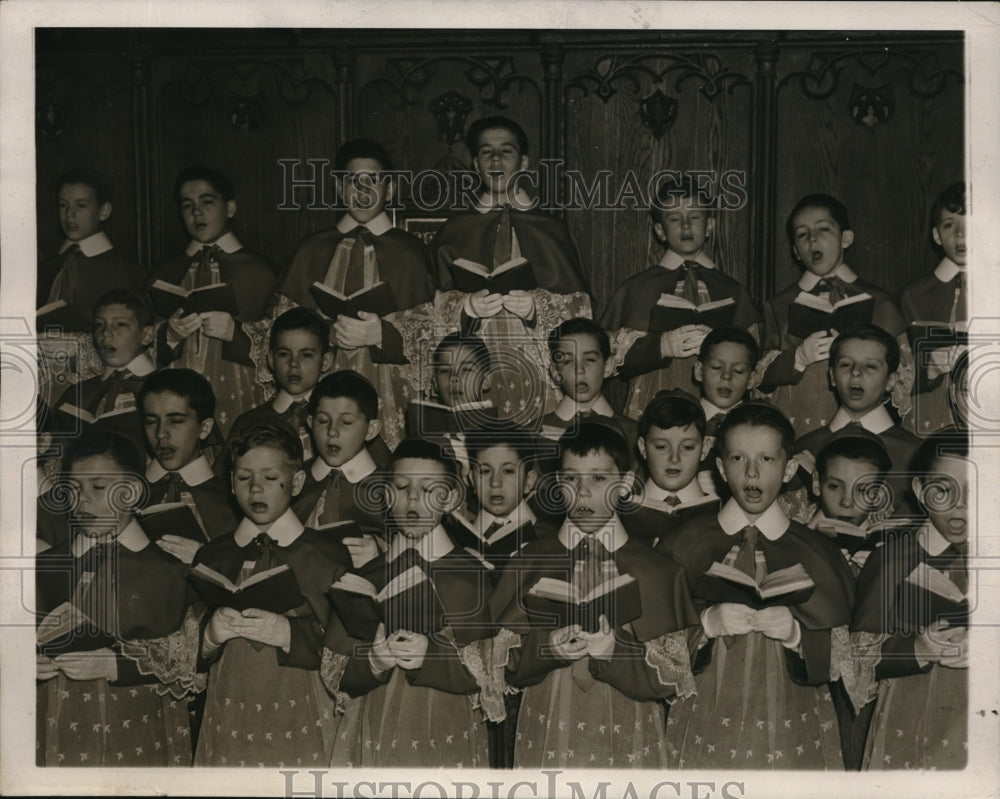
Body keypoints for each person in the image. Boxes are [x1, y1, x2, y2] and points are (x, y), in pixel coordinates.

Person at [491, 421, 699, 769]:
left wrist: (614, 651)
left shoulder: (658, 569)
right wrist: (549, 648)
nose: (583, 492)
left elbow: (668, 680)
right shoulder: (528, 560)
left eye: (599, 479)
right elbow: (505, 666)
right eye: (571, 479)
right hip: (547, 722)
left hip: (628, 724)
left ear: (624, 486)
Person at [657, 402, 855, 769]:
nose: (751, 472)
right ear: (719, 467)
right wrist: (705, 624)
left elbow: (846, 650)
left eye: (766, 459)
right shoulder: (685, 542)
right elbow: (653, 642)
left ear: (789, 467)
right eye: (737, 459)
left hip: (790, 712)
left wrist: (798, 633)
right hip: (707, 709)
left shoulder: (816, 550)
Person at [321, 438, 502, 768]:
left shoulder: (471, 575)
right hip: (372, 728)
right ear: (388, 496)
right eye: (402, 487)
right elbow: (338, 672)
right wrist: (374, 660)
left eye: (429, 490)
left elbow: (490, 673)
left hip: (446, 732)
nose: (414, 499)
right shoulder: (365, 576)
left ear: (449, 499)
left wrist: (429, 656)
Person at [36, 432, 201, 766]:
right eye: (74, 489)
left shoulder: (169, 571)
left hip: (138, 724)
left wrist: (115, 664)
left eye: (98, 488)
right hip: (54, 721)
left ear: (133, 491)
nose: (82, 501)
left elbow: (187, 656)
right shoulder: (48, 565)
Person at [193, 424, 351, 766]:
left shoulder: (326, 554)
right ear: (230, 481)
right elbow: (183, 648)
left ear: (296, 483)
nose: (255, 489)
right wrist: (208, 635)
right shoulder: (212, 555)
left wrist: (291, 633)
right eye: (244, 477)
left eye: (269, 477)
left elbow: (350, 642)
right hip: (230, 706)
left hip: (303, 708)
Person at [276, 139, 438, 448]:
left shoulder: (410, 252)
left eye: (373, 181)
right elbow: (283, 325)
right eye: (353, 181)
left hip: (387, 386)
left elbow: (434, 331)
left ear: (388, 190)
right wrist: (324, 334)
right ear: (339, 187)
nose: (362, 191)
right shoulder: (311, 249)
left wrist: (382, 334)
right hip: (320, 383)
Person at [434, 116, 592, 422]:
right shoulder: (454, 230)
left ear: (524, 162)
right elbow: (428, 310)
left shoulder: (550, 228)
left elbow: (582, 308)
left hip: (538, 369)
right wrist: (464, 307)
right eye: (485, 152)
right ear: (475, 165)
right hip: (473, 371)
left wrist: (537, 307)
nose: (495, 159)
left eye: (506, 151)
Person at [846, 430, 970, 769]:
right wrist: (918, 648)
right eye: (944, 491)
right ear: (920, 491)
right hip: (912, 710)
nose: (960, 505)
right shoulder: (892, 558)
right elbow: (858, 657)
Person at [601, 176, 761, 416]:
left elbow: (753, 358)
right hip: (653, 402)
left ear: (709, 226)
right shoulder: (636, 288)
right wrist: (660, 345)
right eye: (675, 219)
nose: (686, 226)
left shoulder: (733, 290)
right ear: (660, 231)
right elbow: (604, 355)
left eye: (695, 217)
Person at [759, 194, 911, 436]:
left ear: (846, 238)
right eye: (802, 234)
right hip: (796, 423)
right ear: (795, 251)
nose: (812, 239)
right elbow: (758, 378)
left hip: (864, 430)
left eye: (823, 230)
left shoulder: (880, 302)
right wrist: (797, 357)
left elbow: (904, 378)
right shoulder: (778, 305)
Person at [149, 167, 281, 435]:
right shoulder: (165, 272)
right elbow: (142, 342)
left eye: (206, 202)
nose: (196, 213)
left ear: (230, 208)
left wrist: (237, 334)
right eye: (187, 205)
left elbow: (282, 345)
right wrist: (170, 336)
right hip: (178, 397)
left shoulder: (261, 270)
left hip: (239, 391)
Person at [806, 429, 893, 770]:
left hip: (872, 687)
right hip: (814, 681)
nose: (845, 502)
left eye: (863, 491)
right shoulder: (798, 539)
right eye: (834, 486)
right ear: (816, 485)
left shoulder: (891, 548)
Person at [793, 324, 920, 516]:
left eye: (870, 366)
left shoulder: (917, 455)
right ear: (832, 377)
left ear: (891, 381)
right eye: (845, 364)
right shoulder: (804, 447)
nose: (855, 372)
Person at [138, 368, 239, 562]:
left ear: (205, 428)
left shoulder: (232, 500)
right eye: (151, 421)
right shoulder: (128, 495)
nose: (161, 434)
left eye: (175, 421)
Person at [49, 288, 157, 454]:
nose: (105, 334)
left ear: (147, 335)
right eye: (99, 325)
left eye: (120, 325)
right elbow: (54, 452)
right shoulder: (77, 392)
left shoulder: (164, 388)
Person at [900, 181, 967, 434]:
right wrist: (929, 366)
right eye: (950, 225)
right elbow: (897, 372)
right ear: (937, 235)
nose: (961, 235)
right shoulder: (914, 296)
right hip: (932, 418)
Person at [290, 371, 387, 548]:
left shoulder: (390, 489)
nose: (332, 431)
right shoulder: (293, 480)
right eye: (323, 420)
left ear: (371, 429)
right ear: (310, 423)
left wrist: (380, 553)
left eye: (346, 422)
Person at [226, 307, 333, 464]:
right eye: (284, 354)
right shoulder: (249, 423)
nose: (293, 364)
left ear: (325, 361)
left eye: (306, 355)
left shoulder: (337, 420)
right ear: (270, 359)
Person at [37, 170, 145, 321]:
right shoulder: (44, 269)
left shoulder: (127, 272)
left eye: (81, 205)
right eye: (63, 205)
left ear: (104, 211)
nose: (69, 214)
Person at [624, 389, 717, 548]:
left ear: (704, 449)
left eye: (687, 447)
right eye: (661, 447)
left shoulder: (720, 516)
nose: (674, 458)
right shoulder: (620, 515)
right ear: (643, 448)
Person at [540, 317, 639, 462]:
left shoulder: (634, 434)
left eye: (590, 360)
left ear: (608, 367)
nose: (579, 370)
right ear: (556, 372)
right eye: (568, 361)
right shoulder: (534, 433)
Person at [693, 326, 760, 494]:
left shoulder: (761, 425)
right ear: (699, 371)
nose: (727, 376)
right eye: (716, 367)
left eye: (738, 370)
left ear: (752, 379)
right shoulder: (683, 419)